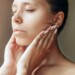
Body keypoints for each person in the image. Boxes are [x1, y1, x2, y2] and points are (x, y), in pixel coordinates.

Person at [0, 0, 75, 75]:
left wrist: (24, 69)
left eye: (29, 9)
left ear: (57, 19)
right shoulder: (11, 68)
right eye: (14, 11)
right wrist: (8, 67)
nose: (15, 18)